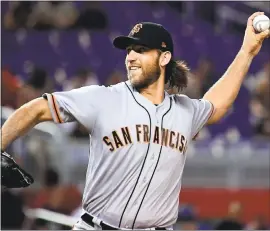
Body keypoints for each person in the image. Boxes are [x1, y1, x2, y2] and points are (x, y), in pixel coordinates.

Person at [1, 12, 269, 230]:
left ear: (164, 58)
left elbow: (217, 104)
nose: (130, 57)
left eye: (141, 50)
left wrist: (247, 51)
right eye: (129, 50)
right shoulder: (102, 98)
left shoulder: (185, 111)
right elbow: (36, 109)